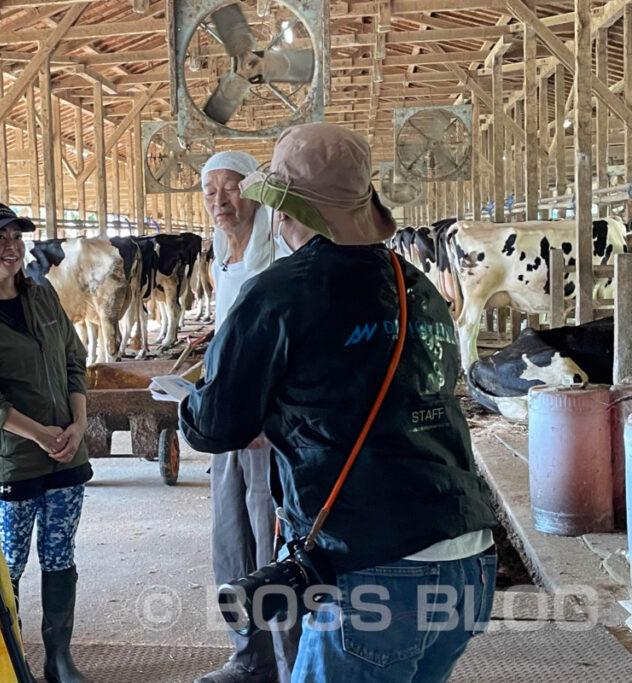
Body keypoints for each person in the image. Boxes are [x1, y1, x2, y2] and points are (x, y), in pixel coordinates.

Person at [179, 123, 499, 683]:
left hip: (371, 564)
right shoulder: (415, 285)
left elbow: (215, 425)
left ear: (282, 210)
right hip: (467, 556)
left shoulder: (278, 293)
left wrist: (187, 401)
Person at [0, 204, 91, 683]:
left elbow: (73, 359)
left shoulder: (43, 296)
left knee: (60, 552)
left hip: (66, 454)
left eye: (15, 236)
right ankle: (7, 657)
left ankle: (58, 659)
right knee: (7, 563)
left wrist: (79, 423)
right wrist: (39, 434)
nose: (10, 247)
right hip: (12, 463)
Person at [195, 151, 297, 683]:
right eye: (210, 190)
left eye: (231, 187)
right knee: (229, 536)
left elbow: (293, 346)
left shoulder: (279, 254)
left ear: (254, 192)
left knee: (271, 539)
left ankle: (289, 663)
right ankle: (249, 656)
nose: (220, 199)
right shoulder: (221, 254)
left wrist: (266, 414)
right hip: (231, 423)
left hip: (270, 431)